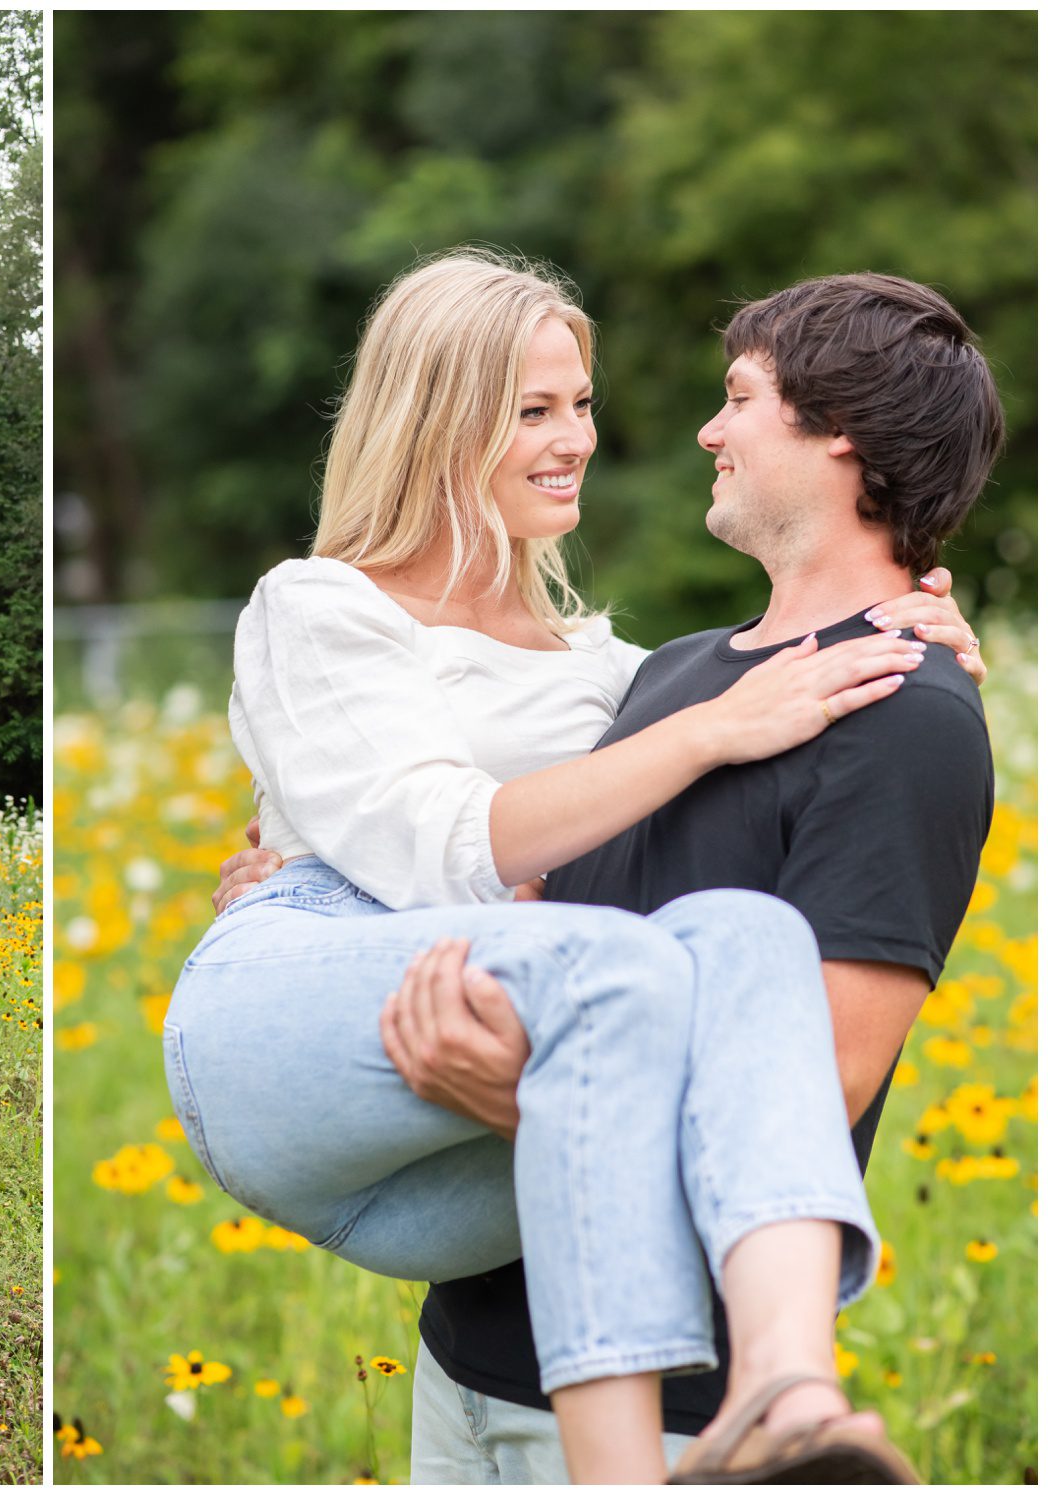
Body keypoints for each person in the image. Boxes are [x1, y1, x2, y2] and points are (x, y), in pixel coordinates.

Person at [168, 252, 997, 1483]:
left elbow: (802, 1072)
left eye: (579, 406)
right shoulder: (644, 683)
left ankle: (782, 1387)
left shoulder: (636, 676)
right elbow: (444, 838)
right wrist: (300, 872)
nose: (588, 440)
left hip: (532, 1242)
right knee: (621, 966)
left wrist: (548, 1087)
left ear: (839, 440)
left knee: (734, 940)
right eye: (532, 409)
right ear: (437, 419)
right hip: (349, 1047)